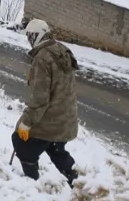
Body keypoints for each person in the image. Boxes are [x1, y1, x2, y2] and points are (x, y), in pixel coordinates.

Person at [12, 19, 80, 185]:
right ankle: (78, 182)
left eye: (31, 36)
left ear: (38, 36)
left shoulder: (42, 58)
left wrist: (26, 123)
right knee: (55, 148)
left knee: (21, 143)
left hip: (51, 119)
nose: (29, 40)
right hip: (66, 119)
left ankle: (31, 183)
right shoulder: (61, 50)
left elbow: (40, 98)